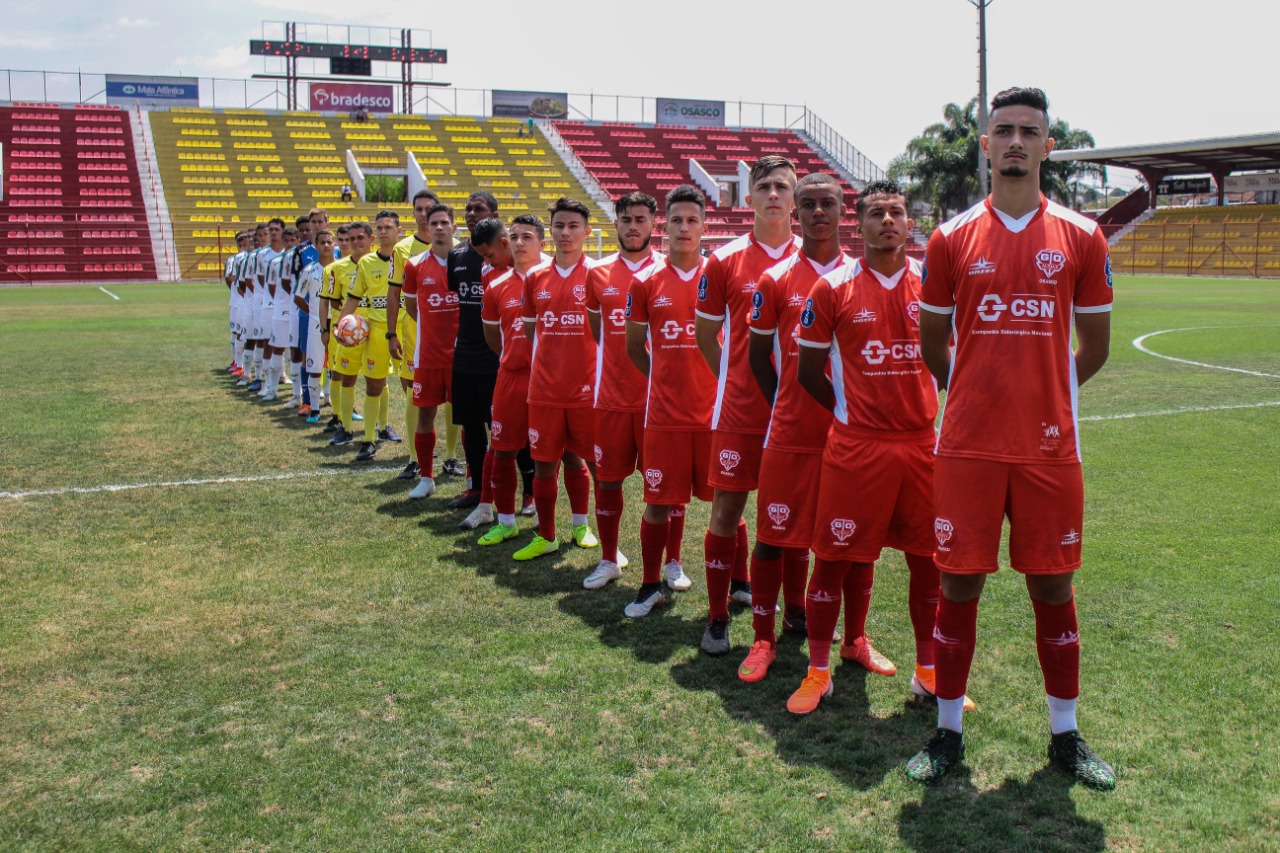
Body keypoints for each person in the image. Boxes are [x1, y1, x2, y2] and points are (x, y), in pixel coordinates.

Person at [906, 87, 1115, 789]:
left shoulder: (1082, 237)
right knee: (957, 583)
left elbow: (1095, 347)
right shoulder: (950, 237)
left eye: (1031, 131)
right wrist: (974, 399)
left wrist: (1044, 401)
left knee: (1053, 587)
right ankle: (946, 734)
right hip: (966, 447)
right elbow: (935, 343)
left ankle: (1065, 735)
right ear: (986, 145)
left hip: (1050, 449)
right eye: (1005, 131)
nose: (1018, 141)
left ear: (1048, 146)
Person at [736, 173, 848, 683]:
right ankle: (763, 638)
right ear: (797, 216)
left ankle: (856, 637)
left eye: (828, 203)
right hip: (788, 434)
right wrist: (782, 402)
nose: (818, 212)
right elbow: (759, 358)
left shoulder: (861, 276)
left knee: (847, 540)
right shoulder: (775, 279)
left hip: (850, 436)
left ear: (843, 210)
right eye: (809, 205)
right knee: (772, 536)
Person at [693, 155, 800, 655]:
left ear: (795, 198)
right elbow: (705, 334)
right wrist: (732, 383)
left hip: (801, 412)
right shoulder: (724, 260)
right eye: (765, 186)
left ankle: (797, 612)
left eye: (783, 186)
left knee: (796, 516)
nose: (774, 194)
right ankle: (717, 618)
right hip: (739, 412)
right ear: (750, 197)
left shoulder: (817, 261)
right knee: (726, 510)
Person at [622, 185, 717, 619]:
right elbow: (634, 347)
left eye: (692, 220)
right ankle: (649, 585)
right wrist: (663, 380)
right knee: (658, 502)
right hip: (663, 417)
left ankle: (738, 584)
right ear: (666, 225)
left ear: (704, 225)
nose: (684, 228)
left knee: (727, 504)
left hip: (715, 416)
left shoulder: (721, 277)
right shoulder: (645, 283)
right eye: (676, 220)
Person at [582, 191, 679, 590]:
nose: (633, 226)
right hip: (612, 400)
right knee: (607, 481)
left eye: (641, 219)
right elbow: (598, 332)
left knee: (668, 488)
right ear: (616, 223)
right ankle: (609, 560)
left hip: (660, 402)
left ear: (654, 223)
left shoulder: (669, 271)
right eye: (626, 219)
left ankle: (673, 563)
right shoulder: (598, 273)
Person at [513, 197, 601, 562]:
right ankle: (546, 535)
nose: (566, 233)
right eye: (560, 226)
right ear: (551, 231)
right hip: (545, 390)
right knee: (545, 463)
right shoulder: (534, 278)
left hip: (589, 391)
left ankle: (583, 526)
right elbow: (533, 332)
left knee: (594, 465)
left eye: (573, 226)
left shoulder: (599, 274)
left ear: (587, 232)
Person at [474, 216, 552, 545]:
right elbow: (493, 336)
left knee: (566, 454)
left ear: (540, 243)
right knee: (503, 449)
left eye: (526, 237)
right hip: (511, 377)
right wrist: (513, 356)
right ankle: (505, 521)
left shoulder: (556, 276)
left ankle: (575, 524)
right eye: (515, 236)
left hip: (551, 380)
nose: (520, 243)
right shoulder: (496, 284)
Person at [447, 192, 503, 510]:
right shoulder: (456, 256)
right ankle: (476, 487)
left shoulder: (507, 258)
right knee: (470, 425)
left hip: (497, 355)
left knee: (504, 428)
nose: (472, 214)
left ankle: (523, 492)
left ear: (494, 214)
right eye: (468, 209)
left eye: (478, 209)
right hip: (465, 352)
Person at [401, 203, 460, 499]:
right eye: (433, 223)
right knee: (426, 414)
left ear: (453, 226)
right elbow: (412, 306)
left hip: (463, 357)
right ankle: (427, 478)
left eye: (443, 222)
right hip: (428, 355)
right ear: (427, 228)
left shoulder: (467, 261)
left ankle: (474, 479)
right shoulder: (414, 265)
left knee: (471, 418)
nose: (438, 227)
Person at [338, 211, 402, 461]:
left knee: (412, 388)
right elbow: (353, 298)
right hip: (377, 332)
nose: (384, 231)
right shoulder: (366, 263)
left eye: (388, 226)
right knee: (374, 385)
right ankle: (368, 440)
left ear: (398, 229)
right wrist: (340, 326)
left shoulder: (410, 258)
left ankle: (417, 447)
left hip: (407, 330)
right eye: (380, 227)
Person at [387, 190, 439, 481]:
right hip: (412, 332)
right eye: (418, 209)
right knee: (414, 394)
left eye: (428, 208)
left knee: (453, 397)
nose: (423, 213)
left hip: (446, 333)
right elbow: (394, 292)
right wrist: (391, 333)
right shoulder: (403, 248)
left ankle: (451, 458)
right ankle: (415, 457)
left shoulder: (455, 247)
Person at [325, 222, 370, 446]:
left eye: (359, 237)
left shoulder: (384, 263)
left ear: (371, 239)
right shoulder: (337, 268)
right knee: (343, 376)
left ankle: (381, 426)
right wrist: (341, 325)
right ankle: (342, 422)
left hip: (375, 329)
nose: (354, 243)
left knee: (378, 380)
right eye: (349, 239)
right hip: (349, 331)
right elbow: (335, 300)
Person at [298, 227, 335, 425]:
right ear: (316, 245)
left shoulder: (342, 268)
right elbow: (298, 297)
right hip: (315, 325)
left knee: (339, 368)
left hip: (338, 323)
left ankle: (338, 407)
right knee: (315, 368)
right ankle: (314, 408)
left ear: (334, 244)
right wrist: (314, 313)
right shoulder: (309, 271)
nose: (326, 245)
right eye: (322, 242)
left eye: (330, 242)